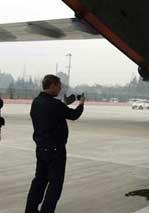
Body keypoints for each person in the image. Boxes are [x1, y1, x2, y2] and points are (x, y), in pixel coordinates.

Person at [25, 74, 85, 213]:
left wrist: (63, 105)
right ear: (52, 85)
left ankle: (30, 210)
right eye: (58, 86)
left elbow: (50, 113)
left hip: (41, 149)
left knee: (39, 181)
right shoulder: (55, 105)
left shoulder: (37, 102)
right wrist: (81, 103)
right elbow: (73, 115)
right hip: (55, 151)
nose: (59, 89)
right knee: (55, 183)